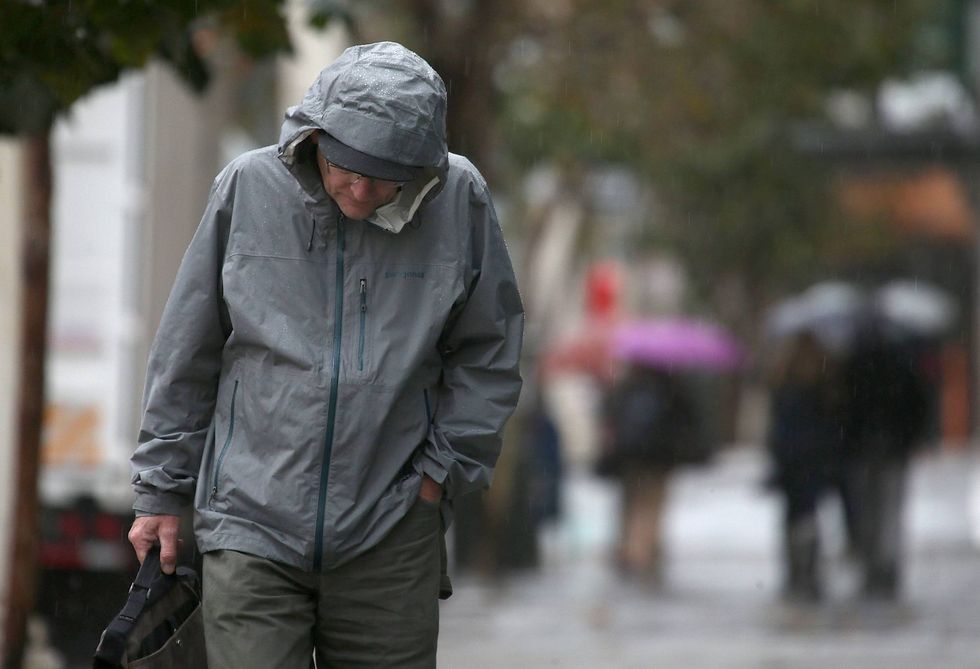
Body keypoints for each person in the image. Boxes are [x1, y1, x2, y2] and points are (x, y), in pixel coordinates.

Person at [127, 41, 524, 668]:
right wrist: (161, 492)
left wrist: (438, 477)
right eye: (349, 167)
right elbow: (188, 351)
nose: (363, 191)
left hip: (391, 531)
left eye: (386, 175)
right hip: (250, 525)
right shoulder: (248, 187)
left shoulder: (459, 199)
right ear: (314, 137)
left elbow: (489, 353)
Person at [841, 323, 929, 600]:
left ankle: (875, 569)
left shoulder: (854, 366)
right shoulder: (901, 365)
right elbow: (917, 404)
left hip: (866, 450)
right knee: (889, 510)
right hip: (890, 449)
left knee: (868, 511)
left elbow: (844, 409)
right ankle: (885, 569)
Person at [596, 365, 703, 584]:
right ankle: (643, 551)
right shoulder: (672, 387)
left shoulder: (625, 386)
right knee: (651, 506)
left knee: (630, 503)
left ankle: (628, 548)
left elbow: (608, 416)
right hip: (659, 459)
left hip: (629, 457)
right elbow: (687, 423)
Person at [765, 330, 846, 602]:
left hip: (793, 461)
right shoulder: (824, 383)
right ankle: (807, 568)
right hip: (814, 461)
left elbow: (779, 429)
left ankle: (797, 569)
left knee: (794, 515)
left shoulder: (785, 381)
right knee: (809, 514)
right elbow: (832, 426)